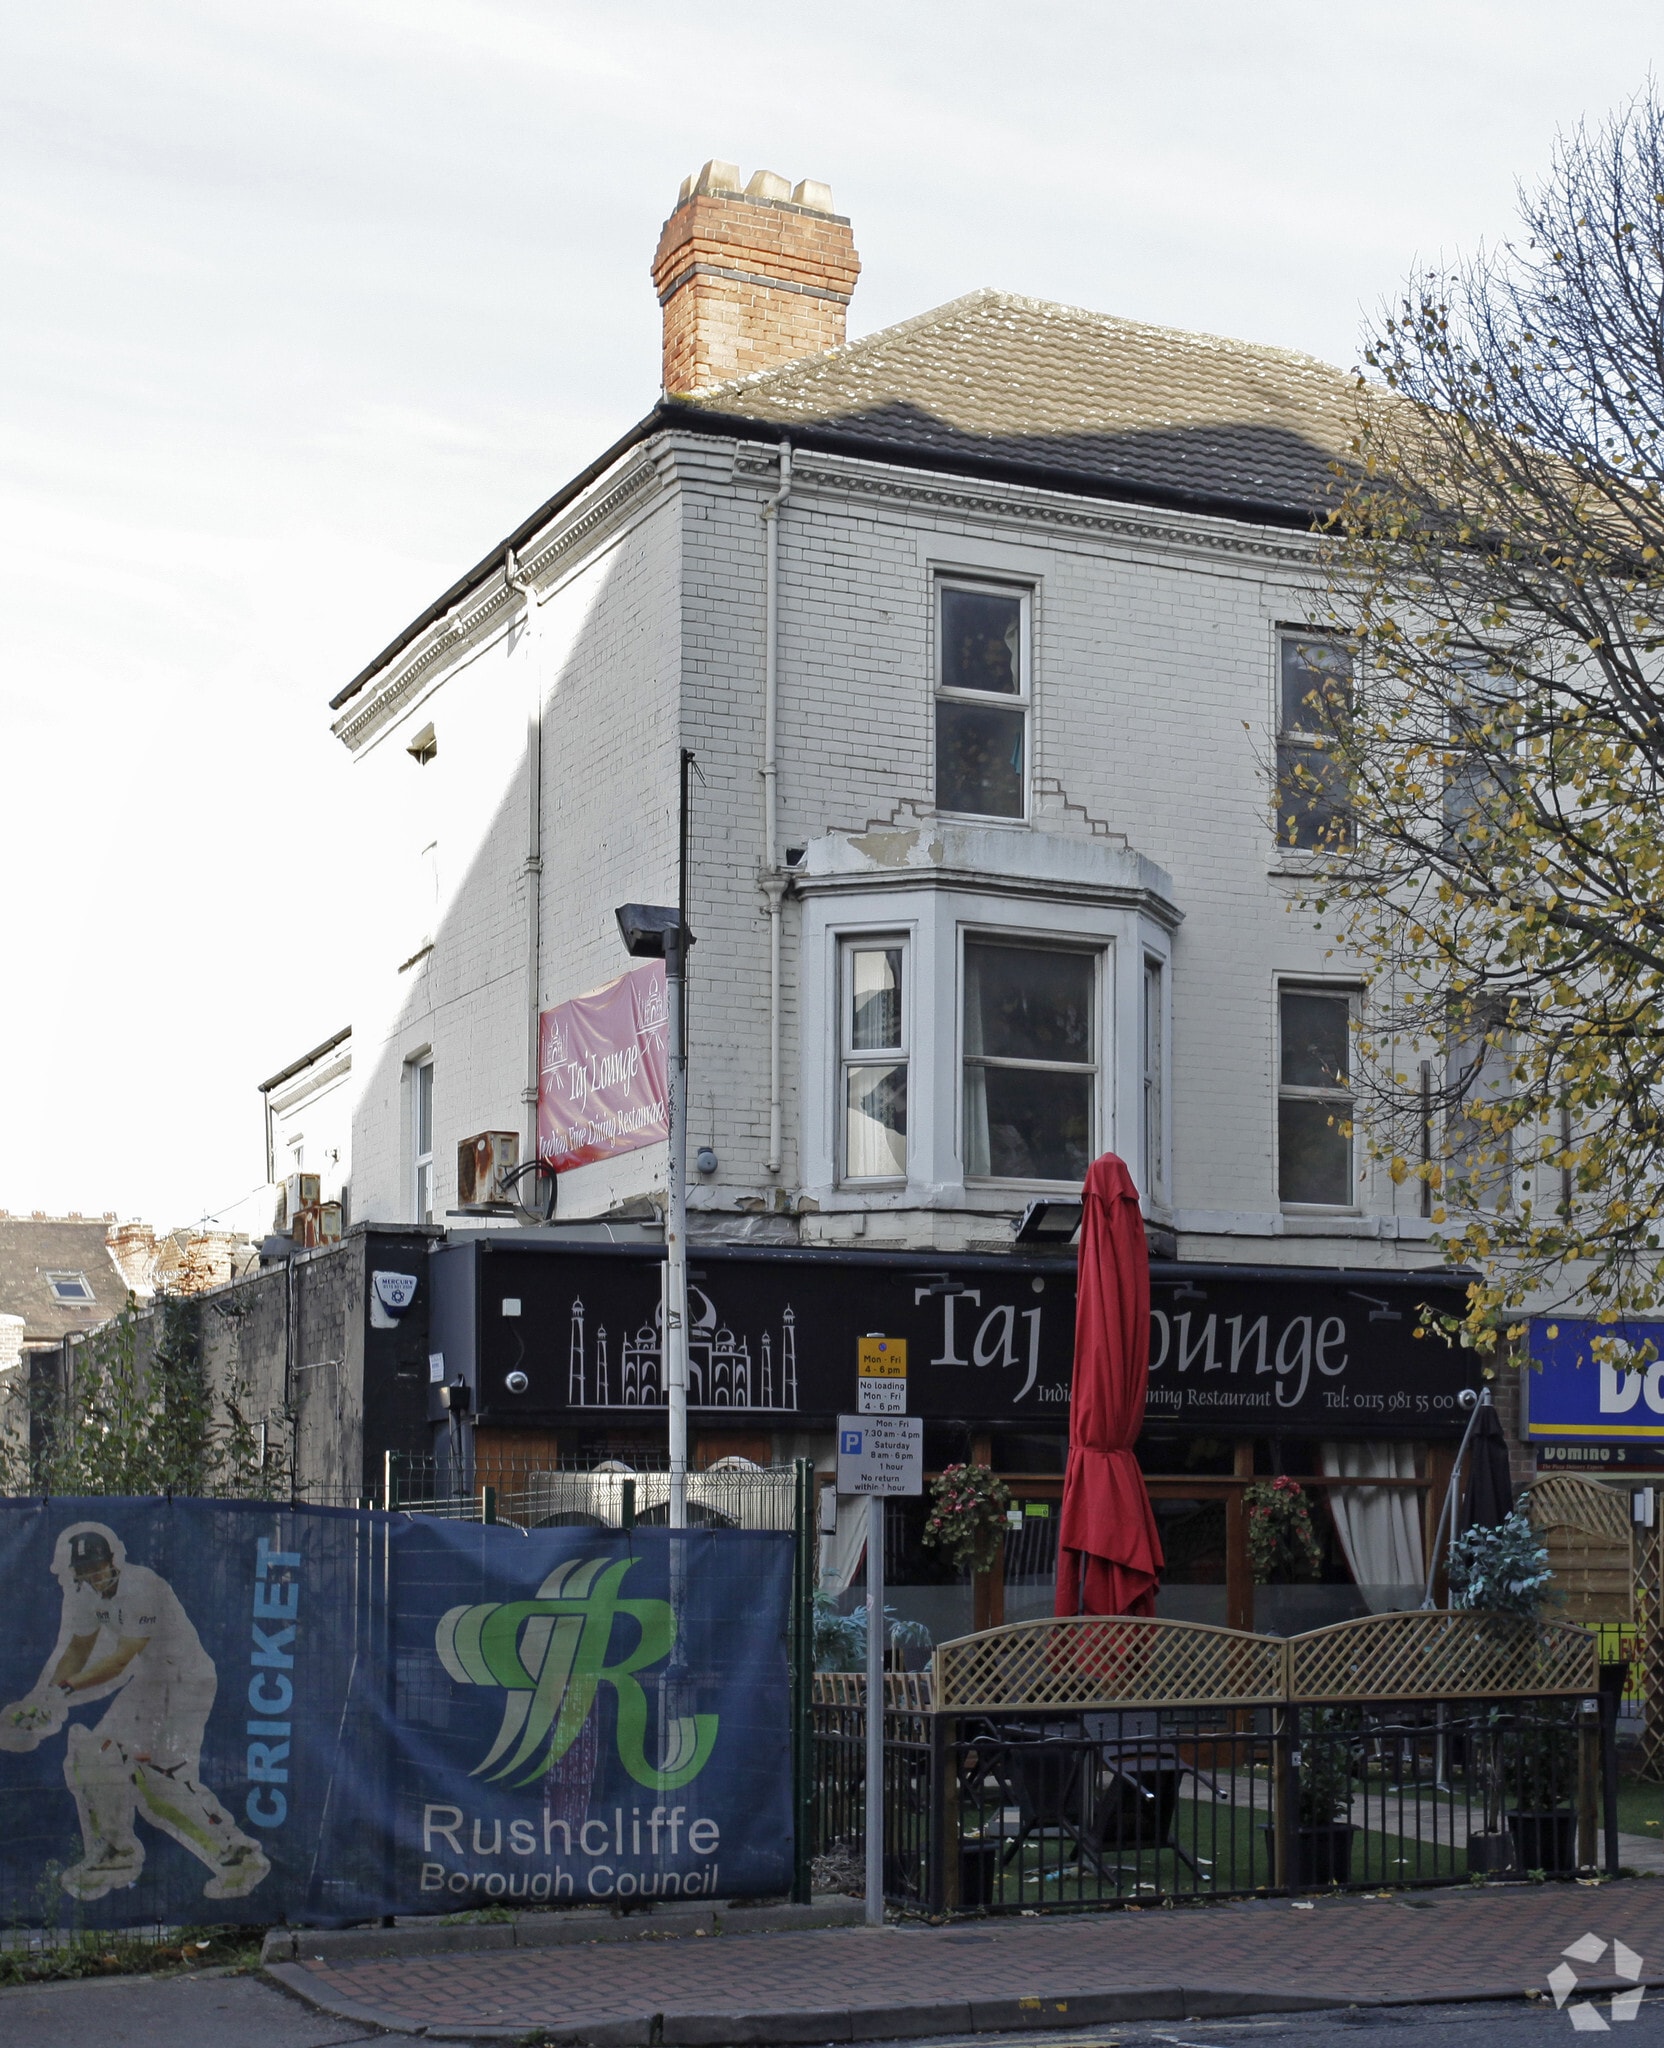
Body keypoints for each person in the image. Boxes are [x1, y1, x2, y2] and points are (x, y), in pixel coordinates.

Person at [0, 1522, 269, 1903]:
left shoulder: (142, 1587)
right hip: (150, 1680)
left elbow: (120, 1659)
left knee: (158, 1779)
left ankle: (237, 1856)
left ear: (113, 1561)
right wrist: (46, 1697)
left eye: (98, 1568)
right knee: (94, 1755)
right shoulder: (83, 1592)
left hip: (185, 1679)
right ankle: (114, 1854)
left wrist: (63, 1690)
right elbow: (77, 1649)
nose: (94, 1577)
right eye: (85, 1572)